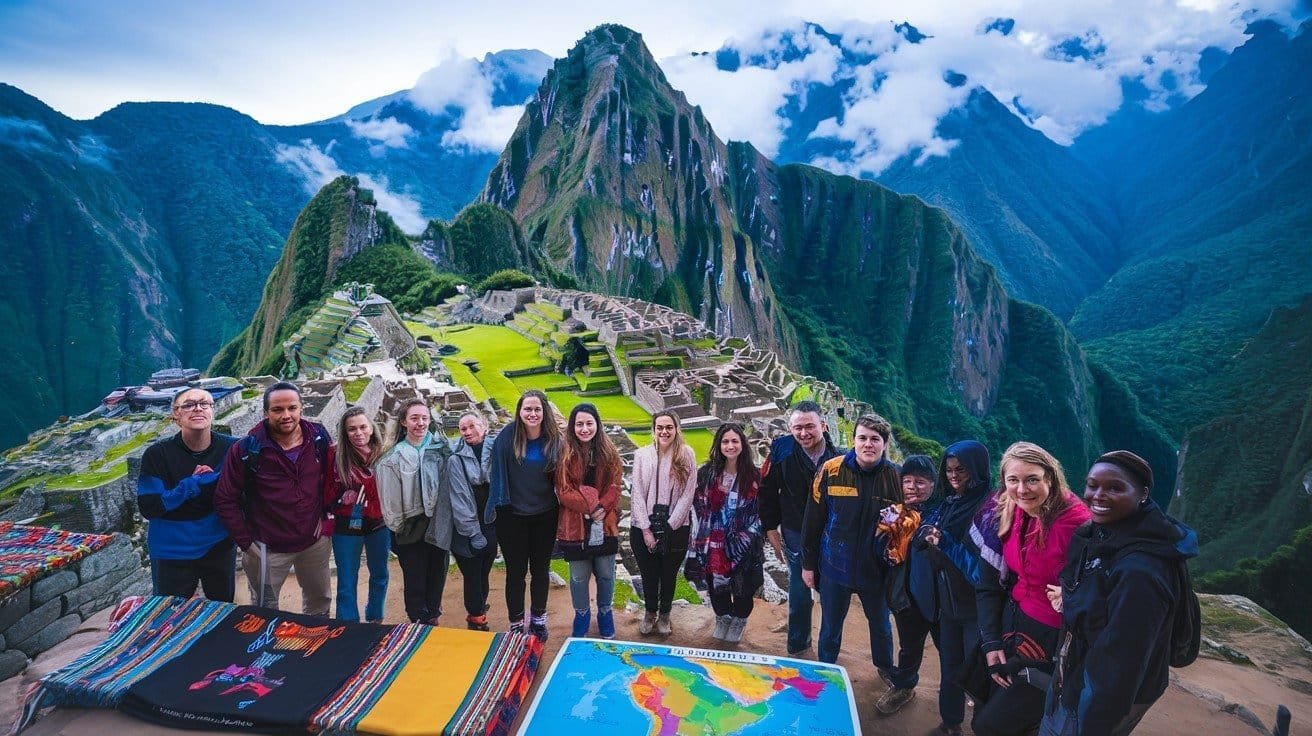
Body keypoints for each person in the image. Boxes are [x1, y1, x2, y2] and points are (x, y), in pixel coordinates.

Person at [1041, 451, 1199, 736]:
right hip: (1074, 672)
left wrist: (1092, 722)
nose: (1098, 495)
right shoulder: (1100, 534)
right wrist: (1069, 599)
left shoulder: (1141, 571)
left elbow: (1119, 665)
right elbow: (1100, 602)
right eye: (1092, 485)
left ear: (1143, 494)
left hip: (1096, 691)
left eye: (1115, 487)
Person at [970, 442, 1091, 736]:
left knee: (994, 725)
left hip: (1050, 639)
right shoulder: (1012, 511)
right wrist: (991, 642)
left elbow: (1106, 578)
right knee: (987, 702)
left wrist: (1075, 592)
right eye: (1013, 480)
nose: (1022, 489)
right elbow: (991, 581)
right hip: (1013, 624)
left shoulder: (1077, 525)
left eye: (1032, 479)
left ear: (1050, 477)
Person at [215, 381, 334, 615]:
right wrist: (247, 543)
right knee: (264, 608)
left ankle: (316, 646)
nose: (286, 415)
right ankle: (267, 648)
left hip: (314, 541)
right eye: (278, 410)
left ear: (302, 408)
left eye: (292, 408)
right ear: (266, 413)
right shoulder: (247, 450)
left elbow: (330, 479)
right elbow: (225, 498)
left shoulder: (318, 437)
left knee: (319, 603)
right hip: (267, 549)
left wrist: (327, 518)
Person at [800, 414, 902, 674]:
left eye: (875, 439)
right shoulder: (831, 471)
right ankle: (826, 669)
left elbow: (904, 528)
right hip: (834, 565)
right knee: (831, 625)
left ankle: (884, 668)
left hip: (876, 570)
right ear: (853, 440)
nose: (868, 444)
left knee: (880, 624)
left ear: (884, 444)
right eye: (863, 438)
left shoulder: (895, 478)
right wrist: (808, 565)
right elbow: (813, 521)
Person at [912, 440, 992, 736]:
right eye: (949, 470)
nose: (954, 476)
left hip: (976, 607)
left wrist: (942, 541)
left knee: (980, 674)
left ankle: (984, 728)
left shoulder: (988, 510)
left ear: (978, 471)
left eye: (962, 470)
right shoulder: (949, 504)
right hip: (949, 603)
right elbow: (934, 540)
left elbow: (982, 569)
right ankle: (950, 723)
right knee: (951, 667)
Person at [137, 388, 237, 601]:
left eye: (204, 403)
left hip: (218, 544)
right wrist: (192, 484)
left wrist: (185, 493)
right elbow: (150, 506)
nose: (198, 408)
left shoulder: (232, 448)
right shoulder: (157, 454)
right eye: (189, 404)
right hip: (171, 550)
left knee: (221, 608)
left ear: (212, 410)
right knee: (169, 614)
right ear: (176, 414)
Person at [760, 400, 841, 655]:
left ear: (823, 426)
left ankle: (828, 653)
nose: (803, 433)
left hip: (830, 534)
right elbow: (767, 491)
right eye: (797, 428)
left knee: (831, 594)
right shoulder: (781, 450)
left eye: (809, 427)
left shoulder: (839, 458)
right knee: (799, 593)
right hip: (795, 530)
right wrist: (770, 528)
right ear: (790, 428)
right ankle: (797, 647)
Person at [486, 389, 563, 641]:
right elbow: (495, 475)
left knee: (540, 570)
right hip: (512, 515)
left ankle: (538, 619)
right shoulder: (507, 438)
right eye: (527, 409)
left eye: (537, 409)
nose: (532, 413)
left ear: (544, 412)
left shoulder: (554, 440)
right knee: (516, 572)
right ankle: (517, 621)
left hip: (545, 514)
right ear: (520, 411)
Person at [375, 398, 449, 624]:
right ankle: (418, 618)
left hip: (438, 521)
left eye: (424, 418)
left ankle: (433, 615)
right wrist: (399, 528)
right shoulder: (392, 459)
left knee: (438, 572)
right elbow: (389, 501)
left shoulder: (441, 449)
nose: (421, 423)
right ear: (404, 423)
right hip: (410, 524)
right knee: (415, 576)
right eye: (415, 418)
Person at [691, 422, 764, 644]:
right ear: (718, 445)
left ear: (742, 444)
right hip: (712, 541)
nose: (730, 446)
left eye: (734, 441)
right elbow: (698, 506)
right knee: (716, 584)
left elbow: (762, 512)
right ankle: (722, 616)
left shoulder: (755, 477)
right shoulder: (707, 474)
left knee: (743, 587)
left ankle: (740, 619)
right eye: (725, 441)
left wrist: (744, 538)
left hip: (745, 543)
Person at [877, 454, 938, 715]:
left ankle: (955, 701)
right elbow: (876, 542)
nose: (913, 486)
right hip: (904, 592)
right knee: (910, 645)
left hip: (939, 595)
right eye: (908, 481)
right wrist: (889, 545)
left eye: (921, 482)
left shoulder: (942, 513)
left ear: (933, 485)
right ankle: (904, 686)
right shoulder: (893, 511)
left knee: (949, 650)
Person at [555, 404, 623, 638]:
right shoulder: (565, 453)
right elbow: (563, 490)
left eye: (589, 423)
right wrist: (592, 506)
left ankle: (605, 612)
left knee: (605, 572)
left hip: (605, 522)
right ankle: (582, 614)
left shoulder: (609, 452)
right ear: (573, 427)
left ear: (597, 424)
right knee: (578, 575)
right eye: (579, 424)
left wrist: (602, 507)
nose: (584, 429)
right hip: (575, 526)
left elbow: (615, 485)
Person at [629, 411, 697, 635]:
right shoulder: (642, 455)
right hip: (644, 525)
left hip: (676, 527)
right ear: (654, 429)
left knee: (669, 574)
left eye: (669, 427)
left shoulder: (686, 454)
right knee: (649, 574)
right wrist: (647, 530)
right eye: (660, 427)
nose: (664, 431)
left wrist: (669, 527)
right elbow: (637, 493)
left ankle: (665, 614)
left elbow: (688, 494)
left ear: (676, 429)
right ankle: (650, 612)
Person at [324, 406, 388, 623]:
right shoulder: (335, 454)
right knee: (347, 581)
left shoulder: (384, 452)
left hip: (379, 523)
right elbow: (326, 490)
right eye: (352, 429)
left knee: (379, 575)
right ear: (345, 432)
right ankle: (348, 626)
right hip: (346, 525)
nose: (358, 433)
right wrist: (341, 498)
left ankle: (375, 617)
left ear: (371, 428)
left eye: (362, 427)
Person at [444, 412, 497, 631]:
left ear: (484, 426)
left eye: (471, 426)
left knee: (484, 570)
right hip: (465, 527)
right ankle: (476, 618)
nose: (467, 432)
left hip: (490, 522)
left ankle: (478, 608)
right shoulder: (455, 459)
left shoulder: (496, 452)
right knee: (473, 574)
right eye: (462, 428)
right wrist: (473, 532)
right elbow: (460, 499)